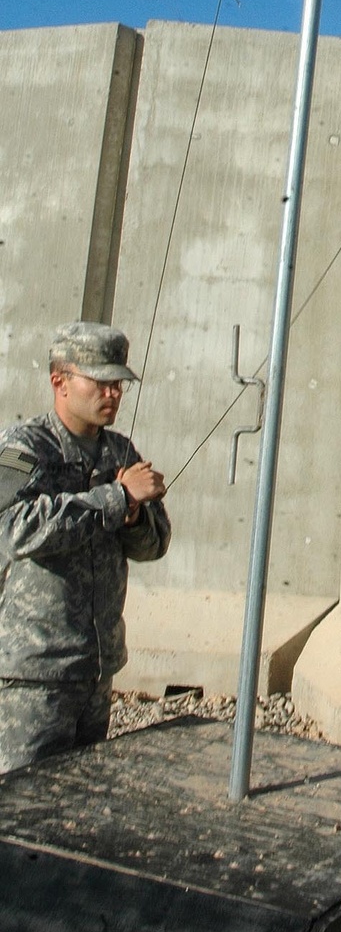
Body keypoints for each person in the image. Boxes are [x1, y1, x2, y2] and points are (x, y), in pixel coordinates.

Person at [0, 322, 170, 773]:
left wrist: (133, 514)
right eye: (100, 382)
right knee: (21, 806)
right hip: (34, 672)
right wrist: (116, 498)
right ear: (60, 381)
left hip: (95, 668)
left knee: (81, 801)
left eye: (118, 385)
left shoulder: (121, 453)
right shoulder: (23, 449)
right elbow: (11, 528)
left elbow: (154, 545)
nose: (112, 394)